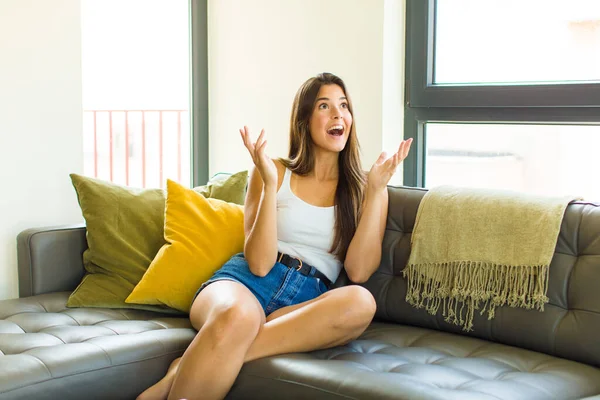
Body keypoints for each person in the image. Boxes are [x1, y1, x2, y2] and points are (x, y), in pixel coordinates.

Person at [137, 72, 412, 400]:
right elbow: (259, 263)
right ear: (304, 120)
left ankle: (185, 368)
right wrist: (268, 186)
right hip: (243, 285)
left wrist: (378, 191)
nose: (338, 114)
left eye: (344, 105)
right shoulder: (274, 171)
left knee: (361, 302)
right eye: (325, 106)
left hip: (307, 298)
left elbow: (359, 272)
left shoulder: (364, 187)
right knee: (237, 316)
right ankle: (211, 353)